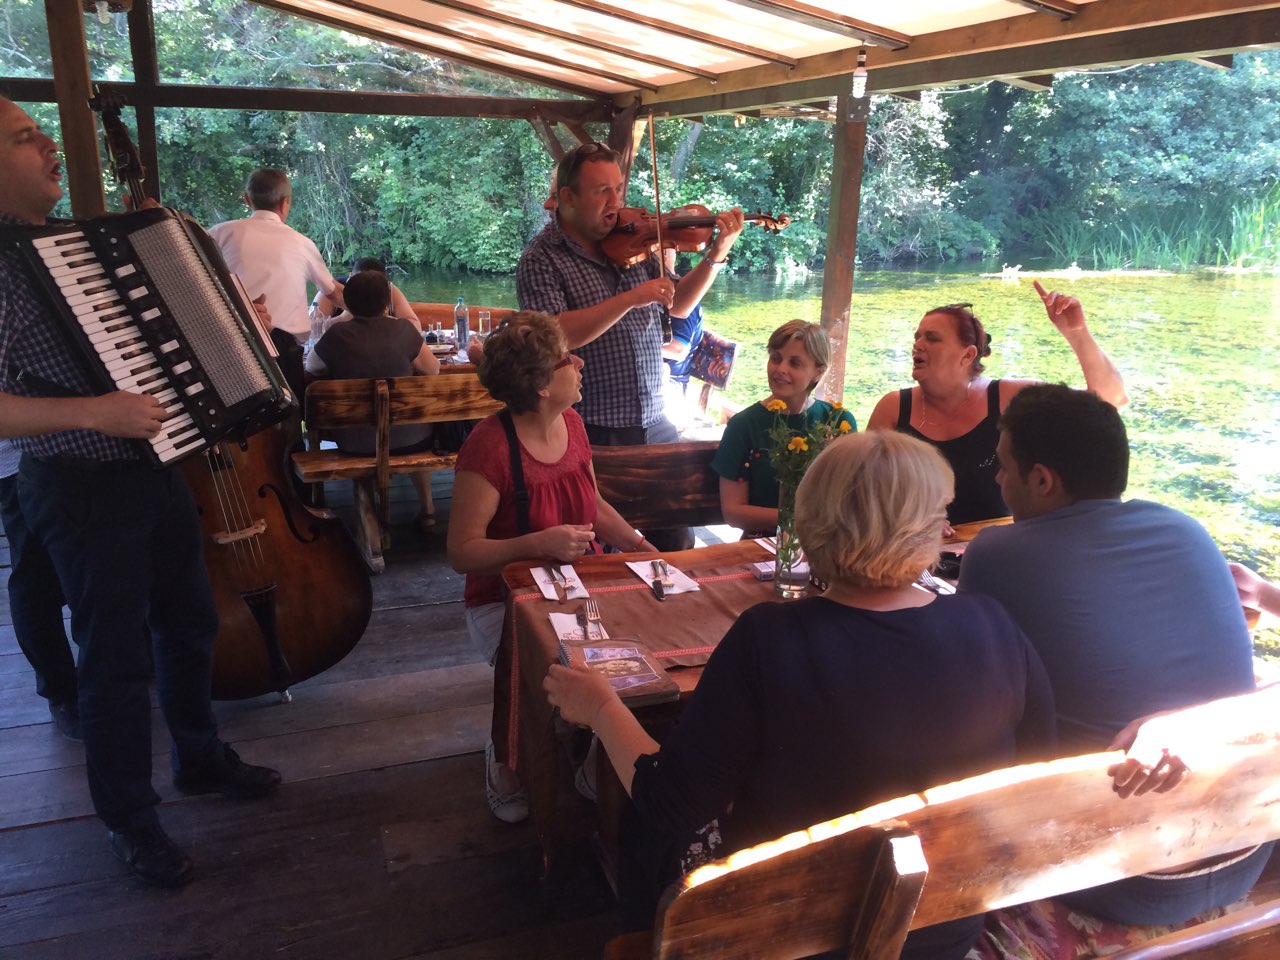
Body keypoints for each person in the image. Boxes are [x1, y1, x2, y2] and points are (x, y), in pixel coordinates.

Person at [545, 430, 1055, 958]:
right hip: (945, 928)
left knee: (646, 830)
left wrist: (602, 709)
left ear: (812, 524)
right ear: (931, 525)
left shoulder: (770, 637)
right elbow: (1039, 766)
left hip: (786, 936)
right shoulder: (991, 622)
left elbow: (670, 801)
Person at [0, 96, 280, 889]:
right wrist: (97, 411)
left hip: (155, 466)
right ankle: (130, 818)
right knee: (116, 661)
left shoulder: (69, 246)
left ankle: (198, 758)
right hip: (79, 482)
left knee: (188, 624)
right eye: (26, 138)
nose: (50, 145)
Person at [956, 384, 1269, 924]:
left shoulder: (995, 552)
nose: (998, 480)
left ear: (1042, 479)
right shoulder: (1187, 528)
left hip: (1123, 879)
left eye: (1003, 467)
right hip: (1250, 849)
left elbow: (967, 681)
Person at [446, 311, 659, 824]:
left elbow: (591, 504)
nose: (580, 362)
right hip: (502, 600)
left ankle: (596, 762)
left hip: (578, 584)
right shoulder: (490, 446)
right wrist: (534, 543)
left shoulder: (574, 424)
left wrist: (637, 545)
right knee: (546, 666)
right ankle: (506, 756)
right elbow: (462, 552)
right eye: (568, 358)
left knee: (642, 652)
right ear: (542, 384)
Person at [515, 141, 745, 548]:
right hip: (590, 428)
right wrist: (632, 298)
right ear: (567, 197)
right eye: (601, 190)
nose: (616, 201)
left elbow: (676, 305)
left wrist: (716, 253)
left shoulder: (635, 245)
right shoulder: (541, 258)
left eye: (618, 189)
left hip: (657, 421)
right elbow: (553, 335)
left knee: (675, 541)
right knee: (591, 548)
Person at [866, 282, 1127, 524]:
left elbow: (1108, 399)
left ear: (967, 355)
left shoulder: (1010, 398)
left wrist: (1077, 333)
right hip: (910, 549)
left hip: (999, 547)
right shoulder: (893, 408)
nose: (917, 345)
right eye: (917, 337)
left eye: (932, 338)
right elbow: (864, 490)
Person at [305, 270, 442, 530]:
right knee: (411, 424)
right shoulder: (404, 330)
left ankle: (373, 517)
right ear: (385, 303)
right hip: (411, 439)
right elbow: (433, 369)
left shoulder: (335, 336)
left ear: (348, 303)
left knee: (367, 429)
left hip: (357, 442)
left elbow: (311, 368)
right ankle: (428, 509)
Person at [208, 168, 345, 402]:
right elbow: (333, 293)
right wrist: (374, 311)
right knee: (287, 425)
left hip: (229, 348)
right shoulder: (301, 243)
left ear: (247, 199)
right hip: (283, 352)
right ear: (285, 203)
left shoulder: (219, 234)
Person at [711, 319, 856, 537]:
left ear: (818, 371)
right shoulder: (743, 425)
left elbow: (851, 497)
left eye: (795, 363)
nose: (780, 369)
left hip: (825, 539)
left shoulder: (837, 421)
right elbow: (733, 512)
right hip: (762, 539)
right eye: (776, 358)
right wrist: (799, 519)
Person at [0, 437, 79, 738]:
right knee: (34, 579)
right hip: (18, 459)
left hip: (85, 448)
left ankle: (109, 665)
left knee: (97, 561)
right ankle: (61, 692)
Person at [309, 255, 419, 332]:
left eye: (374, 285)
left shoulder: (390, 291)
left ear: (384, 283)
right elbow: (310, 331)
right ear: (350, 277)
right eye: (359, 282)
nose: (366, 288)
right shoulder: (331, 291)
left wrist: (381, 319)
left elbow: (415, 325)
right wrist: (341, 319)